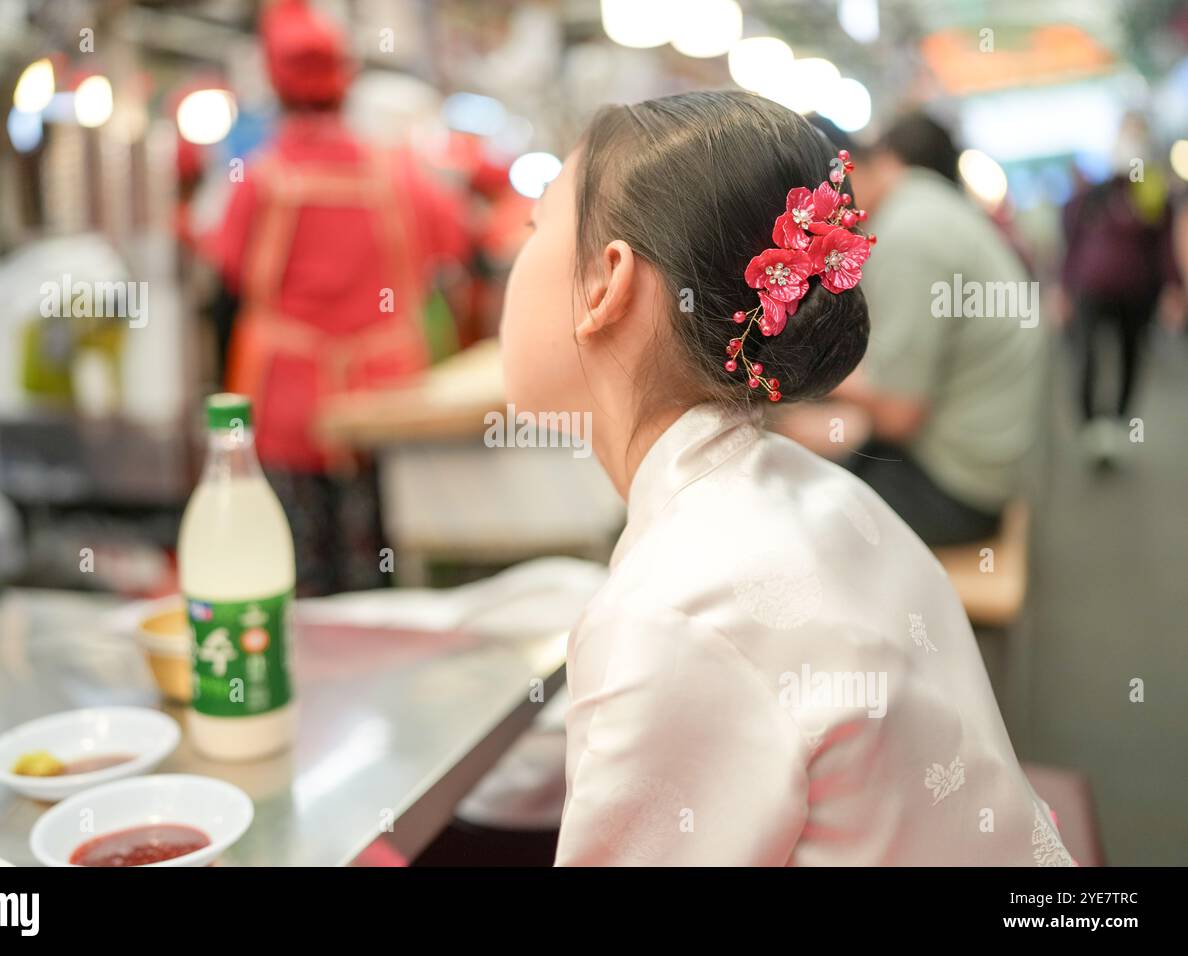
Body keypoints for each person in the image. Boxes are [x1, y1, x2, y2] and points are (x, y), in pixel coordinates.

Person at [499, 90, 1074, 865]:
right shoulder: (816, 488)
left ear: (607, 283)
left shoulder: (671, 618)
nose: (512, 256)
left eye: (536, 227)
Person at [210, 0, 468, 596]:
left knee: (296, 575)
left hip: (286, 405)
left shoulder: (259, 178)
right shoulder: (400, 174)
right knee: (380, 567)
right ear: (344, 80)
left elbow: (226, 269)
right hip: (385, 406)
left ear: (274, 82)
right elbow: (452, 245)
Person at [832, 112, 1045, 547]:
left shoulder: (908, 238)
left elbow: (897, 416)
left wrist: (793, 379)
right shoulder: (924, 198)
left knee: (804, 518)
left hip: (961, 488)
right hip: (991, 457)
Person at [1059, 113, 1182, 467]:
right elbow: (1073, 243)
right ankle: (1091, 426)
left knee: (1131, 355)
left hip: (1137, 294)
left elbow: (1164, 246)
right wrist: (1064, 288)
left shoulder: (1152, 193)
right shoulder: (1094, 196)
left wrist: (1173, 289)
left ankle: (1117, 427)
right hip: (1091, 291)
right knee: (1088, 356)